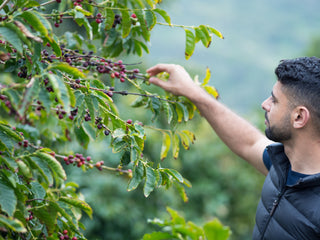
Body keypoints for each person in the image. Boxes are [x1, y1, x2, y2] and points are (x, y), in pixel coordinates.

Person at [146, 57, 320, 240]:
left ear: (299, 117)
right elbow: (249, 142)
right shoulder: (282, 162)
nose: (265, 104)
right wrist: (192, 91)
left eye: (274, 101)